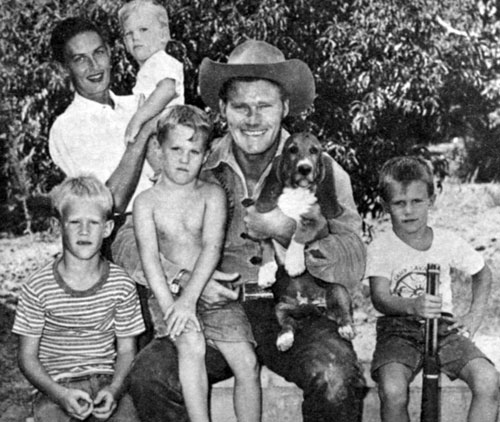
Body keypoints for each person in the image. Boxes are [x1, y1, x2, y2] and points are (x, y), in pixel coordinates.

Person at [129, 40, 367, 422]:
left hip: (299, 310)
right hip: (216, 310)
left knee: (337, 378)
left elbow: (354, 255)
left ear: (285, 108)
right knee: (151, 375)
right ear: (222, 110)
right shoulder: (196, 162)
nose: (252, 119)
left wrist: (293, 235)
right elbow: (130, 236)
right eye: (241, 106)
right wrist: (187, 280)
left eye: (265, 106)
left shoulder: (321, 167)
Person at [133, 105, 260, 422]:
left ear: (205, 157)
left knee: (246, 362)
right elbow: (149, 259)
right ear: (159, 150)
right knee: (191, 346)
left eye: (194, 151)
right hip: (169, 296)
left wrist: (191, 298)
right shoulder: (146, 202)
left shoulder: (212, 195)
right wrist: (171, 306)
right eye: (175, 149)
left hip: (210, 291)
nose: (184, 158)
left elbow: (212, 248)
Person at [365, 156, 499, 422]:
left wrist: (474, 315)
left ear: (431, 200)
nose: (409, 211)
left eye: (417, 201)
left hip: (444, 329)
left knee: (488, 380)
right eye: (399, 203)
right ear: (384, 206)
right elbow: (380, 297)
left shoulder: (447, 241)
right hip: (397, 330)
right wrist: (411, 306)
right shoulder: (381, 246)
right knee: (392, 390)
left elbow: (482, 272)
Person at [12, 175, 145, 422]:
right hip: (55, 386)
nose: (84, 231)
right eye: (75, 222)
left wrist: (115, 390)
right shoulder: (37, 286)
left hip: (107, 381)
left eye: (93, 222)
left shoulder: (122, 284)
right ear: (59, 225)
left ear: (107, 229)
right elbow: (26, 357)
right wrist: (59, 394)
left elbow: (127, 350)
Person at [118, 0, 185, 145]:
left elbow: (167, 90)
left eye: (143, 30)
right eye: (129, 33)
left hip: (168, 136)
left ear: (163, 35)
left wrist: (136, 120)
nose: (135, 37)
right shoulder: (149, 67)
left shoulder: (161, 60)